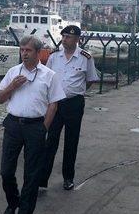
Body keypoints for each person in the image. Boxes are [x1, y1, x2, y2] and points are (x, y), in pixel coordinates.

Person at [0, 35, 65, 214]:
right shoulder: (13, 72)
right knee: (6, 171)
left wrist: (44, 127)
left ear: (38, 53)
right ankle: (13, 202)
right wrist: (12, 87)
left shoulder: (49, 75)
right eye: (22, 50)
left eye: (28, 50)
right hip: (14, 125)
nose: (24, 53)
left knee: (31, 174)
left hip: (35, 126)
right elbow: (0, 98)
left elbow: (54, 103)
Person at [39, 25, 98, 191]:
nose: (64, 39)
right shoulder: (54, 57)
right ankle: (43, 179)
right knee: (51, 140)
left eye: (68, 37)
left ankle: (68, 178)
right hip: (56, 104)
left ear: (77, 39)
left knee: (72, 141)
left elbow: (91, 79)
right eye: (63, 36)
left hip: (74, 104)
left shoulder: (86, 57)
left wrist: (77, 91)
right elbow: (46, 80)